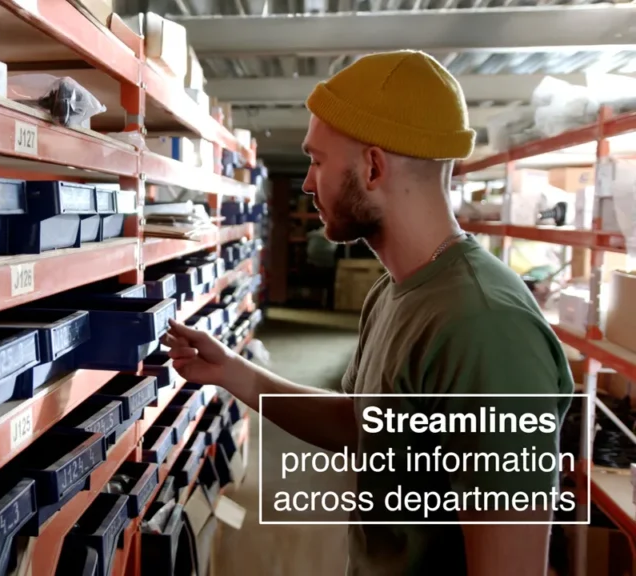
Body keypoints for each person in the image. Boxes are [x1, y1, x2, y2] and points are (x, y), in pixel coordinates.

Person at [163, 50, 575, 576]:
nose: (307, 183)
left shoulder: (486, 327)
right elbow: (364, 426)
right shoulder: (393, 291)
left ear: (373, 167)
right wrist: (233, 372)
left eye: (318, 161)